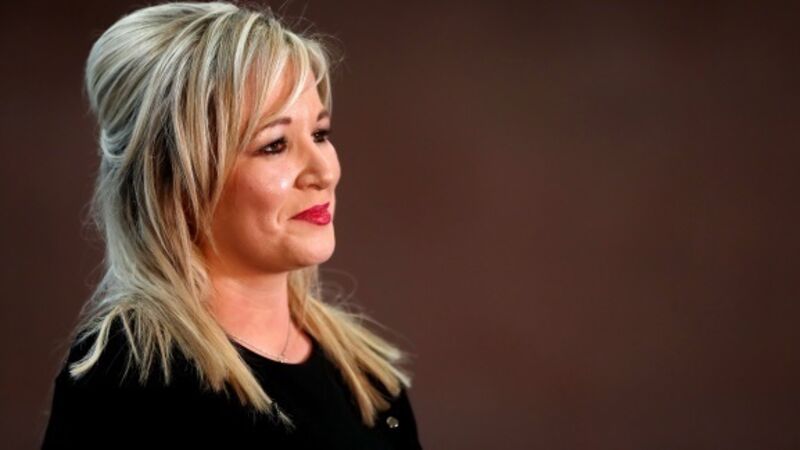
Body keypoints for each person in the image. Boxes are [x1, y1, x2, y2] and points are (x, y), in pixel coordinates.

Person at [39, 2, 422, 449]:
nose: (323, 172)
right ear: (175, 181)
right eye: (274, 145)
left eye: (319, 134)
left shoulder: (367, 378)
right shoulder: (127, 385)